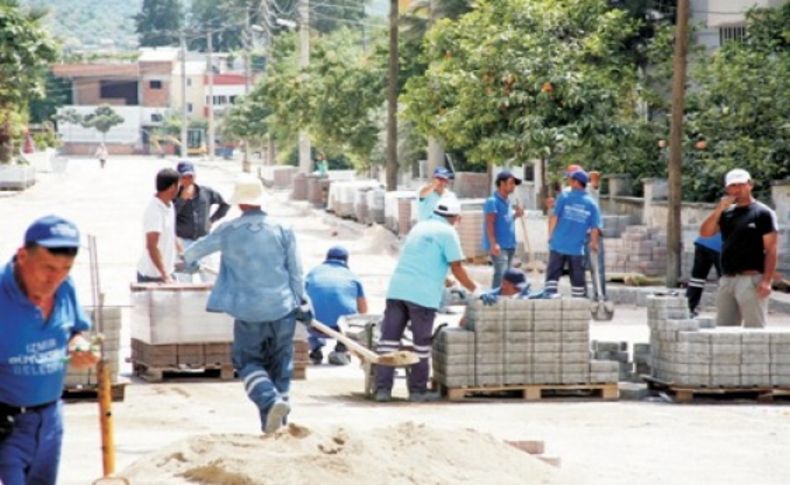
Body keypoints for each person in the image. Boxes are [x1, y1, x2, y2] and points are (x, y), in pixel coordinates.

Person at [183, 175, 303, 434]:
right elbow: (295, 273)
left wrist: (190, 263)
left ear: (239, 204)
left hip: (248, 312)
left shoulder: (228, 231)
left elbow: (192, 253)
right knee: (281, 365)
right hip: (283, 309)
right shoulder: (283, 229)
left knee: (248, 362)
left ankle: (271, 402)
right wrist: (300, 302)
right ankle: (277, 425)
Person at [0, 215, 100, 485]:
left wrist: (78, 343)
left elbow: (74, 329)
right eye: (47, 267)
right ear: (22, 256)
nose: (54, 278)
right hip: (8, 424)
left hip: (50, 420)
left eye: (65, 268)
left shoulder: (65, 287)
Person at [375, 196, 479, 403]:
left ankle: (382, 390)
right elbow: (457, 266)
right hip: (422, 296)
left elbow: (421, 259)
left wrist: (445, 279)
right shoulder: (448, 232)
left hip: (397, 290)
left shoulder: (420, 227)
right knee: (421, 345)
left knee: (388, 342)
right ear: (456, 218)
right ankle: (417, 391)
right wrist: (475, 289)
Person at [700, 169, 778, 328]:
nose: (737, 189)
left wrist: (766, 281)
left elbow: (771, 249)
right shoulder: (727, 213)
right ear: (727, 189)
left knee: (754, 329)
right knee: (724, 329)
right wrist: (719, 209)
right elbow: (705, 233)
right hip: (727, 279)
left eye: (741, 185)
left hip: (751, 279)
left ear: (750, 185)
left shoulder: (762, 213)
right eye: (732, 186)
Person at [305, 246, 368, 366]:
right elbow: (363, 310)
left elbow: (300, 299)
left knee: (306, 312)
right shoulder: (352, 276)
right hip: (341, 329)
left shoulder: (313, 273)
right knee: (352, 318)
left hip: (314, 327)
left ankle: (315, 350)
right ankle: (341, 348)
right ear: (346, 260)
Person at [544, 169, 601, 298]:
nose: (569, 181)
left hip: (558, 244)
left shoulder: (564, 196)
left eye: (570, 179)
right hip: (576, 248)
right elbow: (594, 228)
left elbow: (554, 217)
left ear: (576, 182)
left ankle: (549, 300)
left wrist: (550, 235)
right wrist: (594, 243)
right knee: (577, 281)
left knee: (552, 277)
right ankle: (578, 305)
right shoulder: (592, 204)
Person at [173, 161, 230, 281]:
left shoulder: (206, 192)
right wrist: (182, 199)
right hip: (183, 242)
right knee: (184, 280)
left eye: (190, 176)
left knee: (210, 277)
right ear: (178, 178)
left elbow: (225, 205)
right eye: (184, 177)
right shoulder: (174, 195)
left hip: (204, 241)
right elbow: (169, 217)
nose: (187, 180)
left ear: (195, 176)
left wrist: (212, 220)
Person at [136, 168, 181, 283]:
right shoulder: (154, 211)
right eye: (178, 185)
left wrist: (182, 253)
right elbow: (152, 246)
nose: (180, 189)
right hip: (152, 276)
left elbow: (171, 233)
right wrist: (165, 275)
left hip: (168, 272)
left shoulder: (169, 205)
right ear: (172, 187)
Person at [482, 170, 524, 288]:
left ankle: (502, 299)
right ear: (502, 183)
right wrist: (493, 243)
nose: (513, 186)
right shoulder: (492, 201)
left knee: (506, 274)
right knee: (501, 273)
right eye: (511, 183)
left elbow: (506, 219)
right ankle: (495, 299)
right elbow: (489, 224)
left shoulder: (507, 201)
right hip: (499, 245)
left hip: (510, 244)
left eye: (514, 183)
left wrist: (516, 215)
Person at [686, 233, 723, 316]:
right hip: (719, 246)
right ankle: (727, 312)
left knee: (697, 279)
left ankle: (688, 308)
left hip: (702, 242)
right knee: (726, 280)